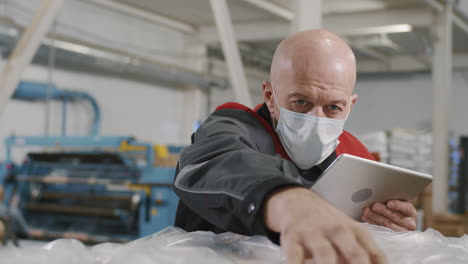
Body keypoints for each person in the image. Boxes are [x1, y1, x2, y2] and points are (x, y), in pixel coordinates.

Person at [173, 29, 417, 264]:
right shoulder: (233, 128)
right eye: (301, 101)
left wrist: (388, 228)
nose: (317, 119)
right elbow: (216, 162)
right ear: (270, 96)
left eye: (333, 107)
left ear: (350, 106)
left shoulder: (356, 156)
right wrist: (288, 201)